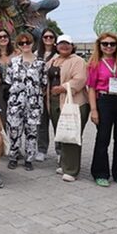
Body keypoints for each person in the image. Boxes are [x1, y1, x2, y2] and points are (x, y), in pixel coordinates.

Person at [87, 32, 117, 188]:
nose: (108, 46)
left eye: (112, 44)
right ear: (99, 46)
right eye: (105, 44)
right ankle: (100, 173)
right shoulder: (94, 64)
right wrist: (94, 110)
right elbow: (91, 88)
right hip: (104, 101)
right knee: (103, 138)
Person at [46, 35, 88, 182]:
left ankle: (72, 170)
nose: (64, 46)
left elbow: (80, 79)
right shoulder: (53, 60)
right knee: (63, 133)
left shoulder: (78, 61)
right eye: (61, 44)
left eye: (67, 44)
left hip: (74, 102)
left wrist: (62, 88)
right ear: (56, 46)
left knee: (72, 134)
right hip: (55, 102)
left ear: (72, 46)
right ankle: (64, 164)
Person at [5, 32, 47, 171]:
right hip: (15, 103)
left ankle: (29, 159)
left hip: (34, 103)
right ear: (18, 45)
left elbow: (44, 83)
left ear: (32, 43)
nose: (25, 45)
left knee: (32, 132)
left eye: (27, 42)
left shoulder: (40, 63)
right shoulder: (13, 62)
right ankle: (13, 157)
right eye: (21, 43)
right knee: (14, 130)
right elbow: (8, 81)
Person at [35, 27, 59, 162]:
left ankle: (60, 150)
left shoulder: (59, 55)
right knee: (42, 124)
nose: (48, 39)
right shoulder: (36, 54)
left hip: (54, 94)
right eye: (46, 37)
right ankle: (42, 149)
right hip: (40, 95)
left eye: (51, 37)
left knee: (57, 123)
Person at [0, 28, 15, 127]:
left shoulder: (16, 53)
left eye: (5, 36)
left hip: (14, 87)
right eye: (0, 37)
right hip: (0, 88)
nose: (3, 38)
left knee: (14, 116)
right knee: (2, 116)